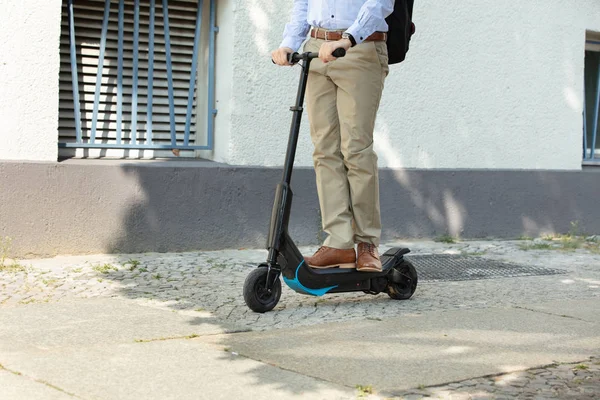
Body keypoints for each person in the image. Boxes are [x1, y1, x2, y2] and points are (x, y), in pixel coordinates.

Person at [272, 0, 392, 272]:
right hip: (316, 50)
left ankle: (367, 244)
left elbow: (380, 4)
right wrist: (289, 43)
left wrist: (349, 38)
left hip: (360, 48)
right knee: (324, 150)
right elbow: (303, 5)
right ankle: (338, 242)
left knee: (356, 149)